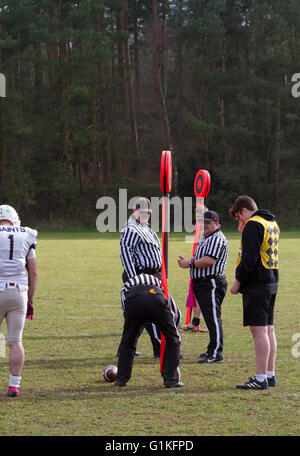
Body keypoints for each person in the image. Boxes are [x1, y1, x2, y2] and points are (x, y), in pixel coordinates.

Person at [229, 195, 279, 390]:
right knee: (268, 329)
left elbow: (248, 259)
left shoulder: (252, 225)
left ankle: (260, 379)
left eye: (238, 217)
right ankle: (269, 374)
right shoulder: (271, 222)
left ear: (242, 211)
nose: (239, 222)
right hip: (271, 281)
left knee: (258, 331)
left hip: (257, 284)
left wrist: (237, 283)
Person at [178, 210, 228, 363]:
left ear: (216, 223)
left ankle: (216, 354)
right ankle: (211, 350)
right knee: (210, 317)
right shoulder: (207, 237)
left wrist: (189, 263)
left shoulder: (216, 238)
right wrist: (190, 261)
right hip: (203, 283)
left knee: (213, 319)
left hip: (211, 282)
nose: (204, 225)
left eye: (208, 223)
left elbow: (209, 260)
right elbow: (201, 258)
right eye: (203, 222)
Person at [116, 272, 182, 388]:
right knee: (173, 340)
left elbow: (125, 310)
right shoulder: (160, 283)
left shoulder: (126, 285)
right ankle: (171, 379)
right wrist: (173, 334)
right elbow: (175, 313)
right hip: (156, 297)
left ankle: (121, 379)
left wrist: (138, 322)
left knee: (128, 341)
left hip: (134, 300)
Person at [0, 205, 38, 397]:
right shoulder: (27, 234)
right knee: (15, 341)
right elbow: (33, 272)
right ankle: (14, 385)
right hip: (19, 292)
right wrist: (29, 300)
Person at [118, 197, 163, 358]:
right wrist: (133, 279)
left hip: (153, 274)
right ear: (134, 211)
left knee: (138, 314)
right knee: (153, 312)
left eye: (148, 213)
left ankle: (125, 347)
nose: (146, 215)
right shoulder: (131, 229)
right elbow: (126, 254)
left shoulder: (146, 228)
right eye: (143, 212)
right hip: (141, 275)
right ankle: (159, 348)